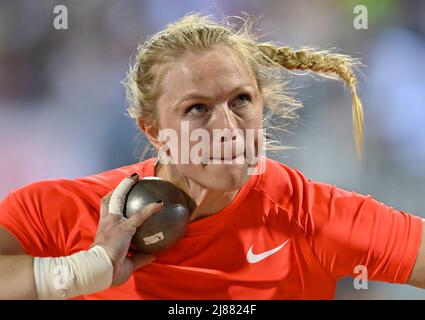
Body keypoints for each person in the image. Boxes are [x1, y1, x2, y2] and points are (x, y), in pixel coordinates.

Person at [0, 13, 424, 300]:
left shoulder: (309, 215)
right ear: (152, 129)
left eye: (241, 100)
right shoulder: (65, 212)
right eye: (197, 109)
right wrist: (80, 271)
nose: (227, 128)